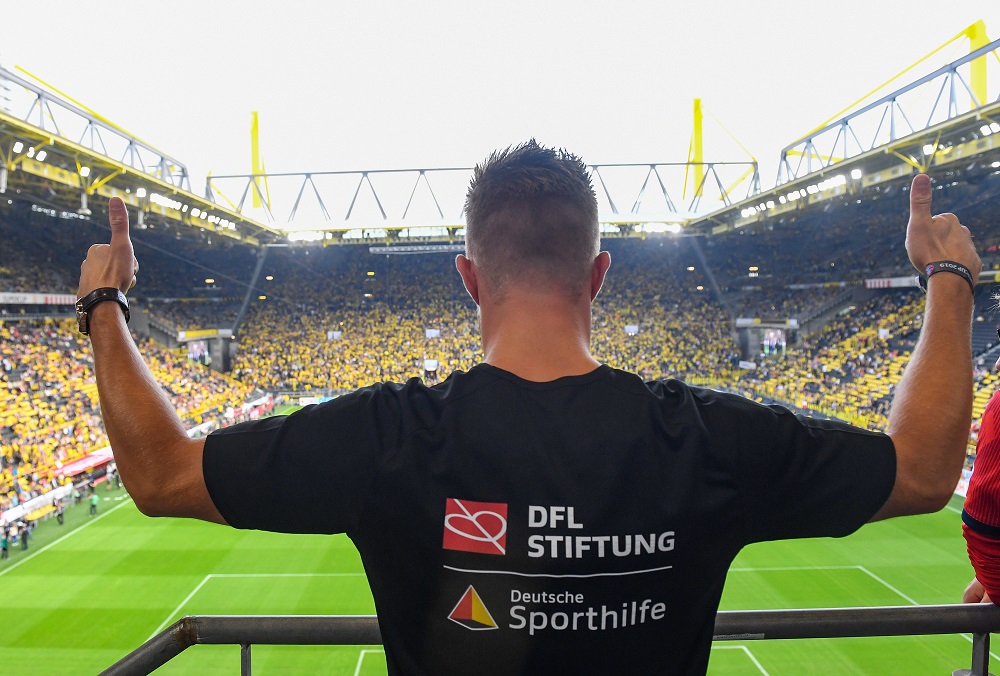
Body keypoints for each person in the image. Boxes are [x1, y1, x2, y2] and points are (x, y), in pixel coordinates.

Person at [79, 142, 980, 675]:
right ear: (598, 275)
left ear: (469, 278)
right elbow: (925, 470)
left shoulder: (386, 439)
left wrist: (105, 309)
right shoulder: (708, 438)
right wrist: (949, 280)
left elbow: (161, 475)